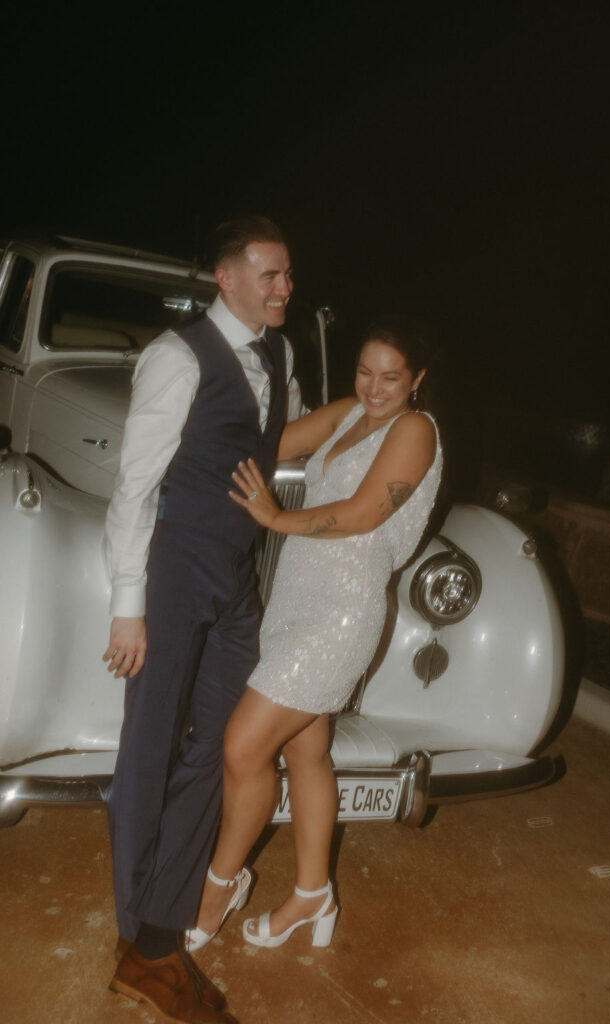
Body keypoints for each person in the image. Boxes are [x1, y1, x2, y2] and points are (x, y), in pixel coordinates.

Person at [103, 215, 305, 1024]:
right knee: (148, 752)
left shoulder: (279, 351)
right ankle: (144, 946)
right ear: (226, 279)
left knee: (221, 749)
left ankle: (159, 923)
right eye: (270, 276)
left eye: (289, 275)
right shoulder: (175, 356)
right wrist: (129, 609)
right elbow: (133, 488)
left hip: (234, 581)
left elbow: (270, 440)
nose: (285, 289)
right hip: (173, 577)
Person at [186, 316, 442, 954]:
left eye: (391, 377)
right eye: (365, 371)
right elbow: (266, 444)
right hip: (295, 598)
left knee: (244, 748)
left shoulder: (416, 429)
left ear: (417, 380)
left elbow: (361, 516)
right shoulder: (351, 412)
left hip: (343, 612)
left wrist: (275, 515)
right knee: (305, 753)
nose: (375, 387)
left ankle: (218, 886)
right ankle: (312, 893)